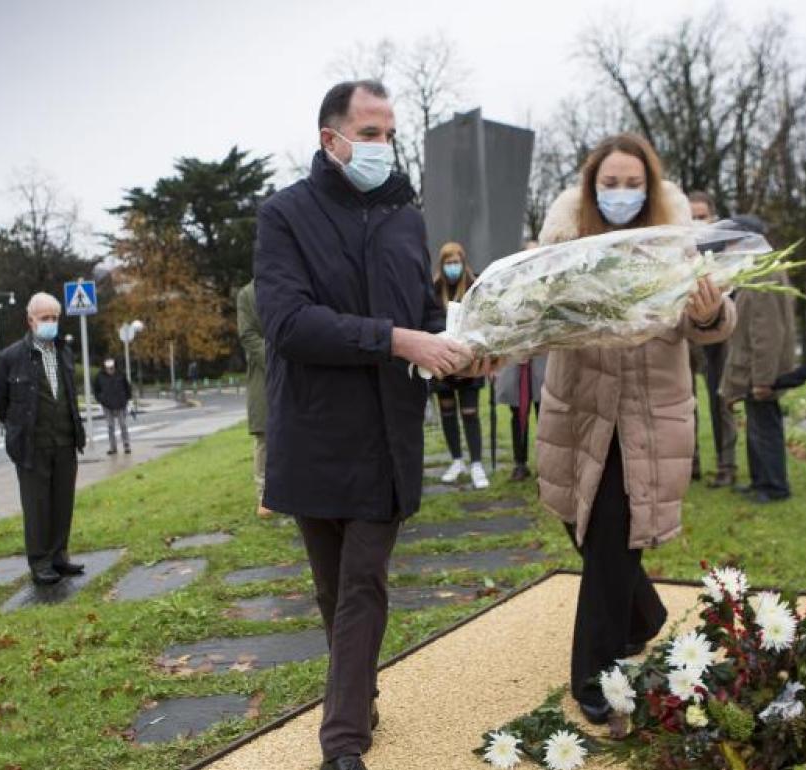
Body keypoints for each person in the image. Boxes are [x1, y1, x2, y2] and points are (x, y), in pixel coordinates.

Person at [254, 79, 488, 770]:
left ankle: (343, 744)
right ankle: (361, 696)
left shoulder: (405, 220)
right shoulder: (283, 216)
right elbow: (289, 324)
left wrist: (474, 339)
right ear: (333, 140)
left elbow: (424, 312)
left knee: (363, 585)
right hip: (315, 436)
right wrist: (398, 340)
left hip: (388, 438)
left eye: (391, 133)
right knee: (333, 592)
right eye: (373, 133)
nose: (386, 146)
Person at [534, 133, 736, 729]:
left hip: (648, 417)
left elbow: (716, 322)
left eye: (632, 183)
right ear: (590, 188)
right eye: (609, 183)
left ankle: (593, 676)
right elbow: (539, 323)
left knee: (610, 538)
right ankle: (642, 618)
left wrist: (707, 311)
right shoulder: (565, 249)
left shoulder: (677, 246)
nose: (620, 193)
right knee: (587, 531)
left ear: (650, 188)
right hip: (580, 413)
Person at [0, 292, 87, 585]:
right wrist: (18, 425)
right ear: (31, 320)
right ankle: (40, 561)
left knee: (62, 501)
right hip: (32, 445)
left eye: (55, 318)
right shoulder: (10, 358)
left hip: (65, 441)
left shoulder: (64, 353)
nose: (51, 323)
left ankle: (59, 556)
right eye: (45, 318)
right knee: (37, 504)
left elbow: (69, 394)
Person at [719, 214, 796, 504]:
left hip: (761, 372)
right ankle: (759, 482)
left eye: (731, 242)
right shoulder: (757, 270)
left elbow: (767, 333)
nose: (726, 249)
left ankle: (774, 486)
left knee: (765, 429)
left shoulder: (764, 274)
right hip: (754, 370)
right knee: (757, 426)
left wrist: (763, 380)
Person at [689, 190, 739, 487]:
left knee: (722, 398)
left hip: (719, 333)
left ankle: (727, 464)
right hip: (688, 332)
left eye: (702, 217)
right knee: (686, 399)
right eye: (691, 217)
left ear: (713, 218)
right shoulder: (678, 249)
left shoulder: (726, 250)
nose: (697, 223)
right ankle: (690, 463)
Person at [432, 242, 489, 489]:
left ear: (463, 262)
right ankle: (456, 460)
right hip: (441, 359)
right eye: (448, 263)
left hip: (468, 360)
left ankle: (476, 463)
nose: (452, 267)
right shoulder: (434, 289)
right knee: (447, 411)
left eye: (456, 262)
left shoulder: (474, 286)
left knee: (470, 412)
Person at [236, 279, 271, 518]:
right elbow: (248, 334)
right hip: (264, 374)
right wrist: (276, 361)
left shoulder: (291, 281)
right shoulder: (247, 294)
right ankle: (265, 495)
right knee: (264, 436)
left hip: (300, 369)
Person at [494, 353, 546, 481]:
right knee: (518, 414)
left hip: (542, 357)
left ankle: (546, 465)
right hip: (514, 358)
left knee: (544, 414)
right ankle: (520, 464)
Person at [92, 357, 131, 455]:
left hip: (120, 404)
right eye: (108, 368)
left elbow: (127, 387)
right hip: (107, 405)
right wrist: (101, 399)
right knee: (110, 426)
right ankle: (113, 447)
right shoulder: (100, 376)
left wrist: (126, 399)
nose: (110, 370)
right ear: (105, 368)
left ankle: (126, 445)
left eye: (112, 368)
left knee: (123, 425)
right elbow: (96, 389)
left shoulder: (121, 375)